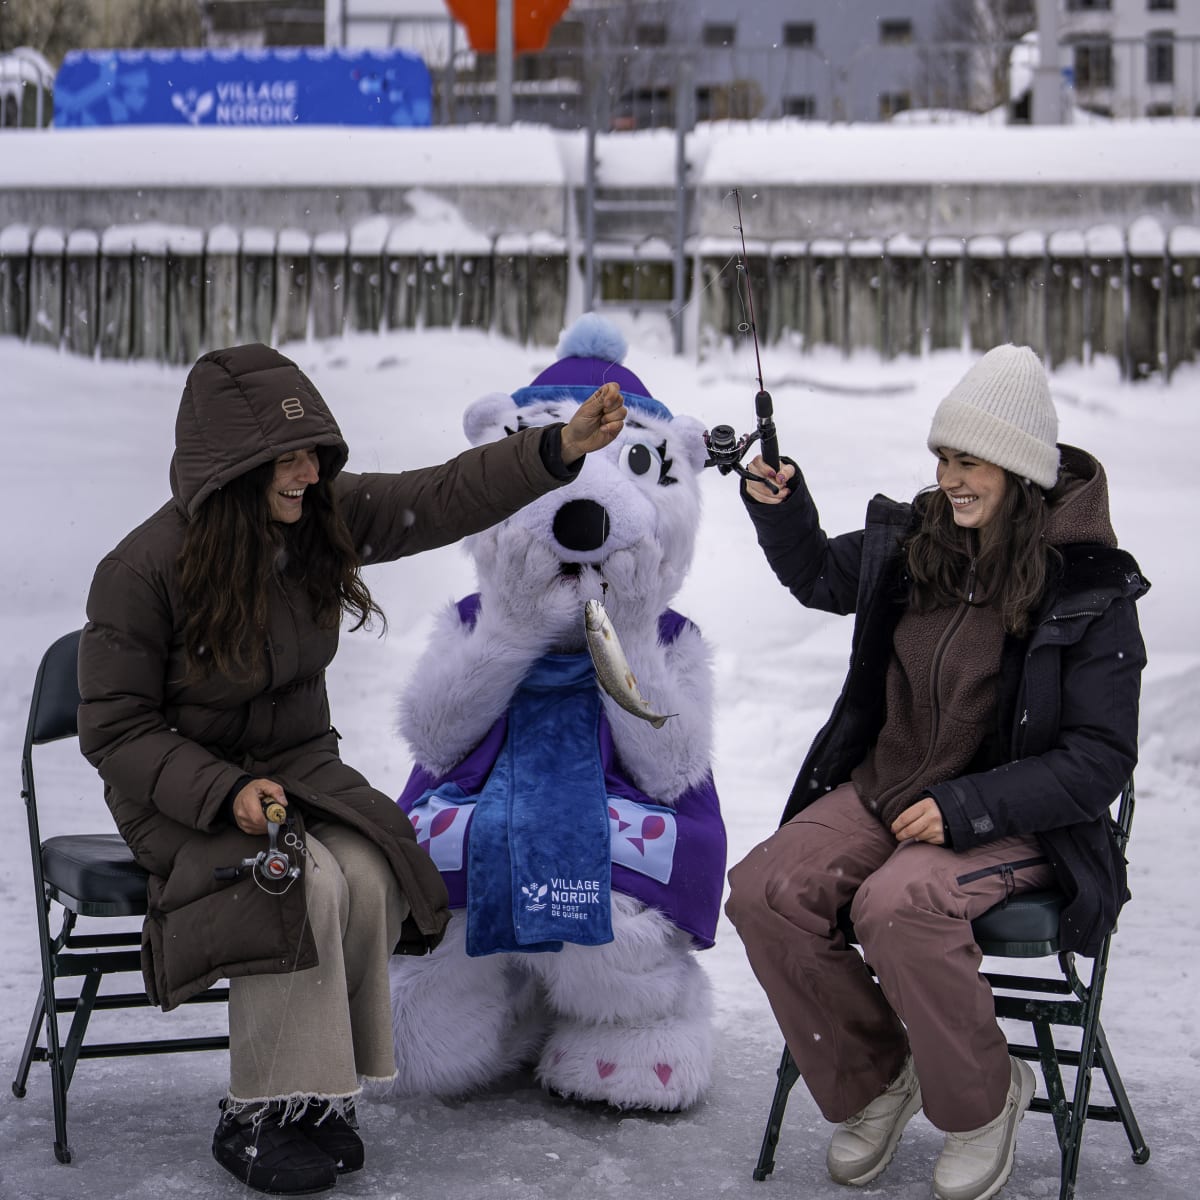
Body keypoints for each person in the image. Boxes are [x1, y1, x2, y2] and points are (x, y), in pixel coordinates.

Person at [76, 342, 625, 1195]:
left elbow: (439, 496)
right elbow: (115, 729)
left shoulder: (318, 519)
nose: (305, 473)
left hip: (297, 770)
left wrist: (554, 451)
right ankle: (263, 1110)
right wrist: (223, 791)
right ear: (231, 468)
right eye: (285, 460)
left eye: (314, 455)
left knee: (368, 871)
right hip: (181, 795)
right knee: (296, 882)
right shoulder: (140, 570)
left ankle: (324, 1095)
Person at [724, 345, 1147, 1200]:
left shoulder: (1091, 585)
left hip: (1018, 818)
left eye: (969, 461)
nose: (950, 479)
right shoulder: (923, 544)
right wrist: (781, 505)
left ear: (1019, 468)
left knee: (899, 904)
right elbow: (816, 574)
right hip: (889, 790)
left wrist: (967, 805)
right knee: (764, 890)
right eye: (943, 458)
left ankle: (983, 1102)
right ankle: (878, 1079)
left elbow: (1099, 760)